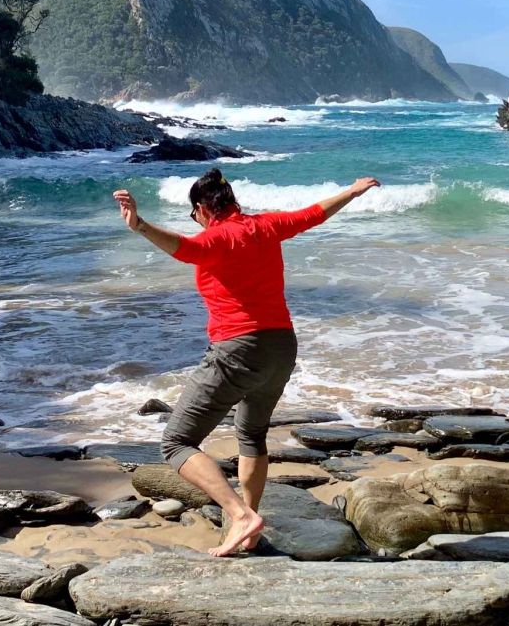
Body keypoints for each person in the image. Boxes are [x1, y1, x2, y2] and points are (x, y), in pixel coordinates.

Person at [112, 168, 380, 556]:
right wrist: (351, 192)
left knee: (176, 442)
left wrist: (139, 225)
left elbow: (184, 248)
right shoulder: (266, 226)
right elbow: (314, 213)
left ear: (203, 208)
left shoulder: (218, 237)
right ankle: (249, 528)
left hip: (237, 349)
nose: (195, 220)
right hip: (281, 346)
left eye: (194, 214)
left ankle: (240, 515)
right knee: (251, 434)